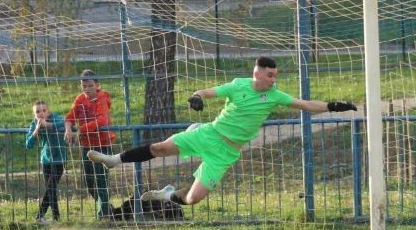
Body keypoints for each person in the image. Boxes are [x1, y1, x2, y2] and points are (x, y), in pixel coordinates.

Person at [88, 56, 357, 207]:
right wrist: (196, 96)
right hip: (210, 134)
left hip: (227, 152)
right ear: (257, 73)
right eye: (271, 75)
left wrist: (333, 106)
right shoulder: (237, 86)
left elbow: (307, 104)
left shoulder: (275, 96)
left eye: (276, 75)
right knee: (160, 148)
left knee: (192, 199)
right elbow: (207, 91)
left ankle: (167, 194)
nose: (275, 79)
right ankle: (114, 160)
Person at [64, 69, 116, 219]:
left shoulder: (102, 99)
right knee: (89, 181)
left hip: (102, 143)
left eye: (90, 86)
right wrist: (68, 130)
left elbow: (102, 121)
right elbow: (69, 117)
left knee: (101, 179)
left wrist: (80, 129)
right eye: (84, 86)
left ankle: (104, 215)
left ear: (97, 85)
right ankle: (107, 207)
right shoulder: (80, 99)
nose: (87, 89)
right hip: (86, 145)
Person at [25, 100, 68, 223]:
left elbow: (64, 124)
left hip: (59, 159)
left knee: (51, 187)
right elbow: (28, 144)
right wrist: (36, 131)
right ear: (34, 114)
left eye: (43, 110)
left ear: (48, 111)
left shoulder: (56, 118)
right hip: (46, 160)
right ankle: (56, 218)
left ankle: (41, 216)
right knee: (51, 190)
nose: (41, 113)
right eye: (37, 111)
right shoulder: (34, 124)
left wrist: (48, 125)